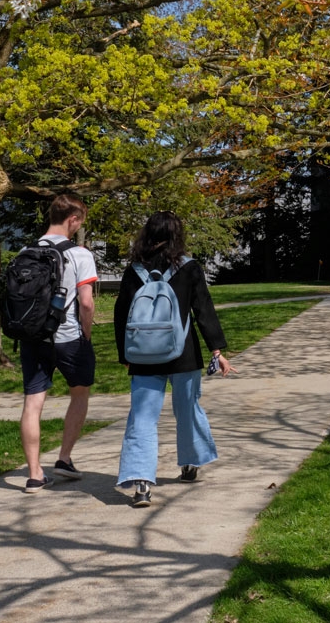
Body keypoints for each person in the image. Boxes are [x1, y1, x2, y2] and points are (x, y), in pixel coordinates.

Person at [114, 211, 235, 508]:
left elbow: (121, 315)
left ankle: (142, 483)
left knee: (142, 418)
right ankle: (190, 464)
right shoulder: (189, 268)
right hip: (183, 355)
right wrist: (217, 351)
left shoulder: (134, 270)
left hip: (143, 356)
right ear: (176, 235)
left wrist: (124, 355)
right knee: (188, 410)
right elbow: (203, 310)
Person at [19, 194, 99, 493]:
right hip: (68, 337)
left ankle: (34, 474)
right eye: (80, 222)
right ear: (73, 220)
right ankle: (64, 458)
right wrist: (86, 335)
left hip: (33, 336)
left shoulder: (28, 250)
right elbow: (87, 303)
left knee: (32, 401)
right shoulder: (80, 254)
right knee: (79, 394)